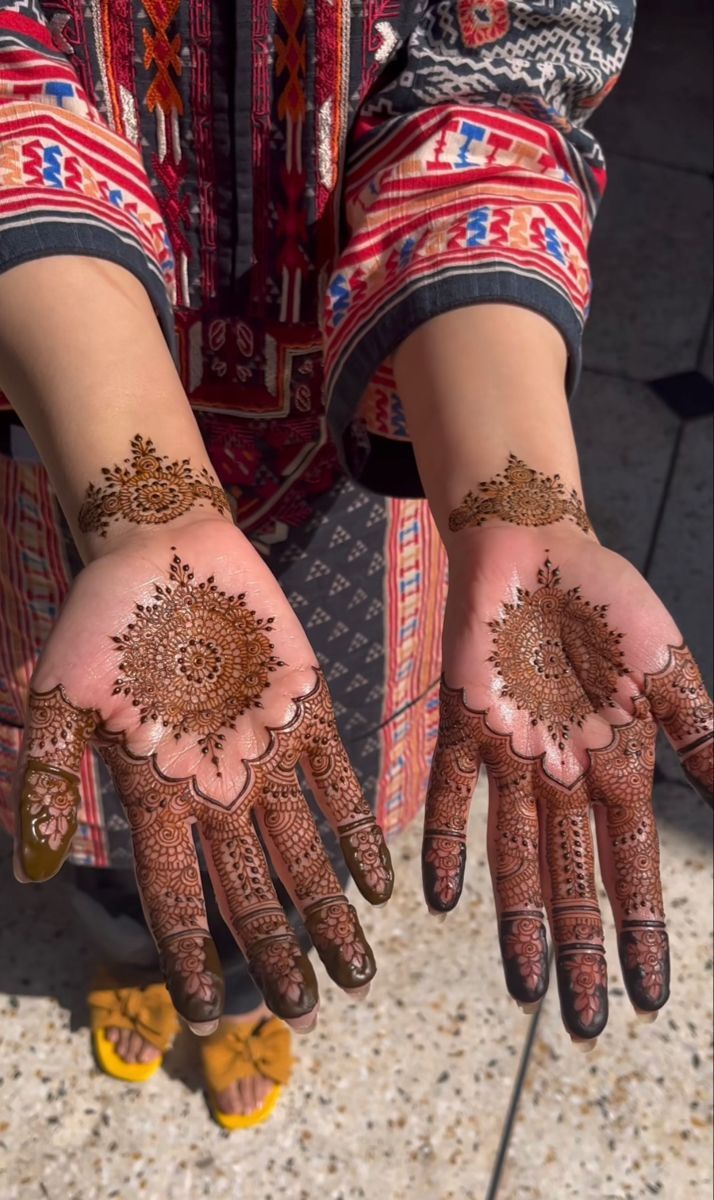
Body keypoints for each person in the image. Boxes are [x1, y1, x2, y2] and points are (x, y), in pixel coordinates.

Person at [1, 0, 711, 1131]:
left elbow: (498, 80)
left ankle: (239, 983)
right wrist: (145, 513)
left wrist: (516, 499)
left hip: (363, 460)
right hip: (59, 432)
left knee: (305, 782)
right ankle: (136, 946)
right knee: (118, 777)